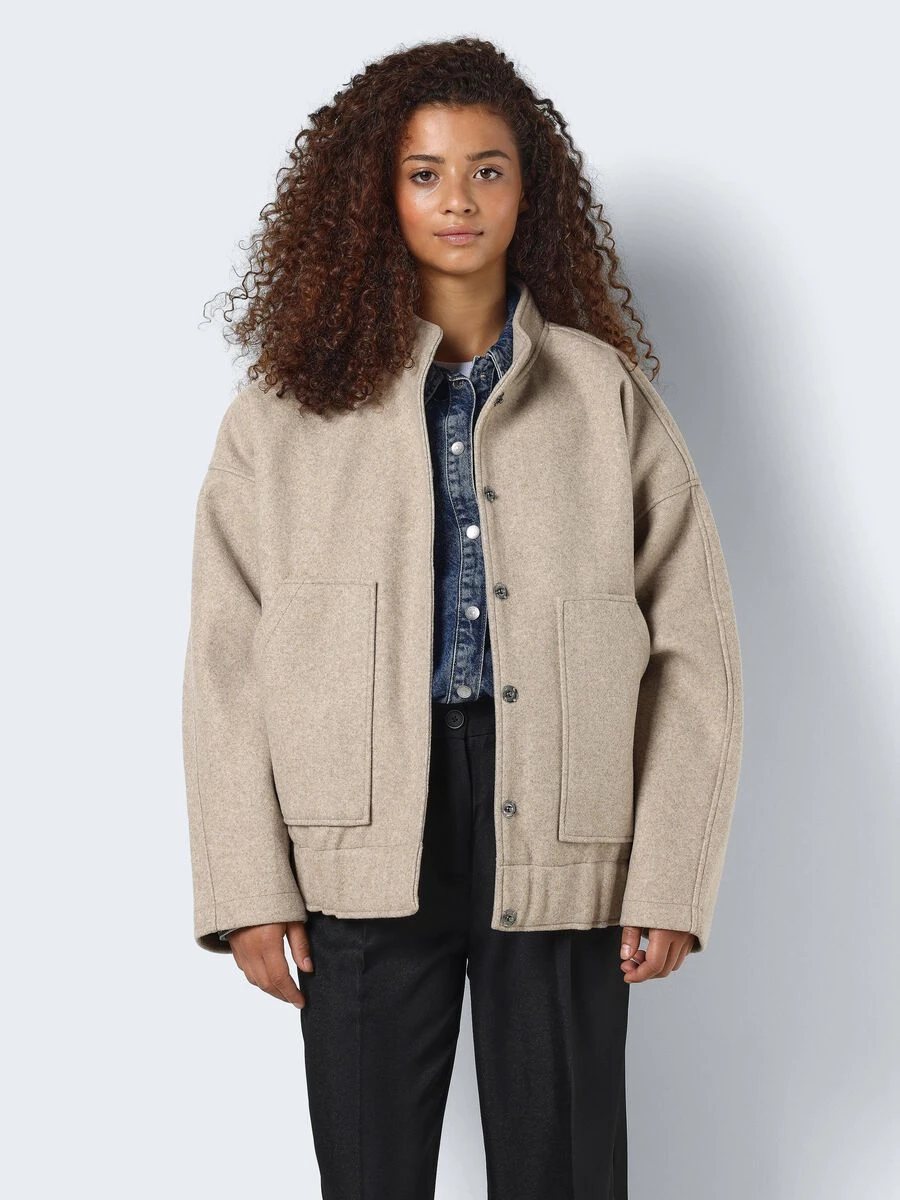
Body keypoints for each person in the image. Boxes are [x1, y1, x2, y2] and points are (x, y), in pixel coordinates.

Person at [181, 36, 744, 1200]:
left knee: (564, 1172)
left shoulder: (604, 395)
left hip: (562, 824)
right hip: (359, 835)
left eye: (489, 170)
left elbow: (695, 653)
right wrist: (248, 888)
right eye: (425, 172)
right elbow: (226, 662)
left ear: (529, 191)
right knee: (369, 1174)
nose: (459, 200)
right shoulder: (283, 412)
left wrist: (668, 879)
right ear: (376, 193)